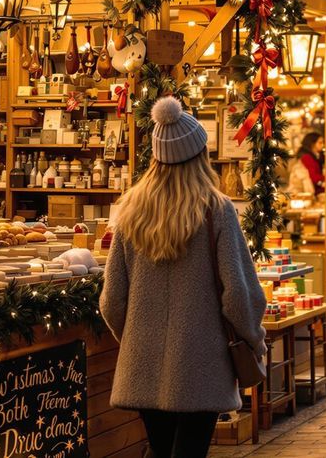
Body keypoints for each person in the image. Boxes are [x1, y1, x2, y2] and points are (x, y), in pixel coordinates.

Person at [101, 97, 266, 458]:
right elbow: (239, 294)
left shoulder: (130, 211)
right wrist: (255, 339)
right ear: (200, 155)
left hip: (142, 362)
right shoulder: (216, 210)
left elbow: (112, 300)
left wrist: (134, 341)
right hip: (201, 364)